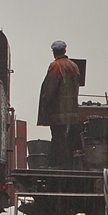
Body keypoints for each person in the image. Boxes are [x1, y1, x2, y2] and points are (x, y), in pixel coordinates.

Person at [37, 40, 82, 169]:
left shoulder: (55, 66)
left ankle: (55, 164)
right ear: (65, 50)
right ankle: (66, 164)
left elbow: (49, 89)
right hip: (72, 110)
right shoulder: (74, 66)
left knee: (57, 137)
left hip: (58, 111)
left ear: (54, 52)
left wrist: (45, 106)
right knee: (67, 139)